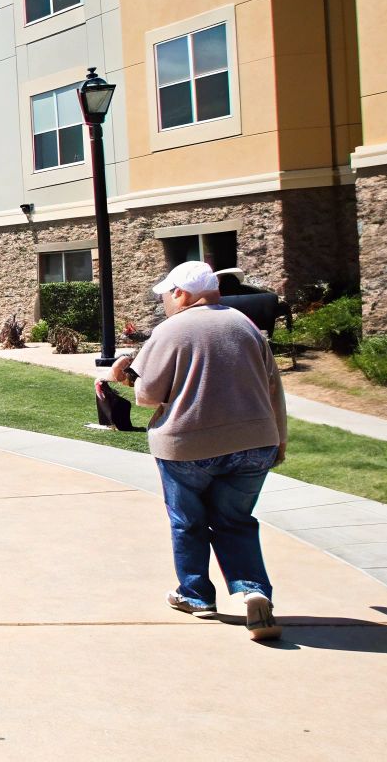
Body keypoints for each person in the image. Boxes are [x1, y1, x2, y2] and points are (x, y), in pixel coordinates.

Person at [111, 260, 288, 642]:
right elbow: (274, 388)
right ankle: (252, 590)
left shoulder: (171, 330)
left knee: (188, 521)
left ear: (181, 293)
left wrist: (122, 375)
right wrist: (280, 441)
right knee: (235, 521)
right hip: (255, 443)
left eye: (167, 296)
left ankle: (195, 595)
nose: (165, 304)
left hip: (187, 444)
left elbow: (147, 396)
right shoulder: (247, 327)